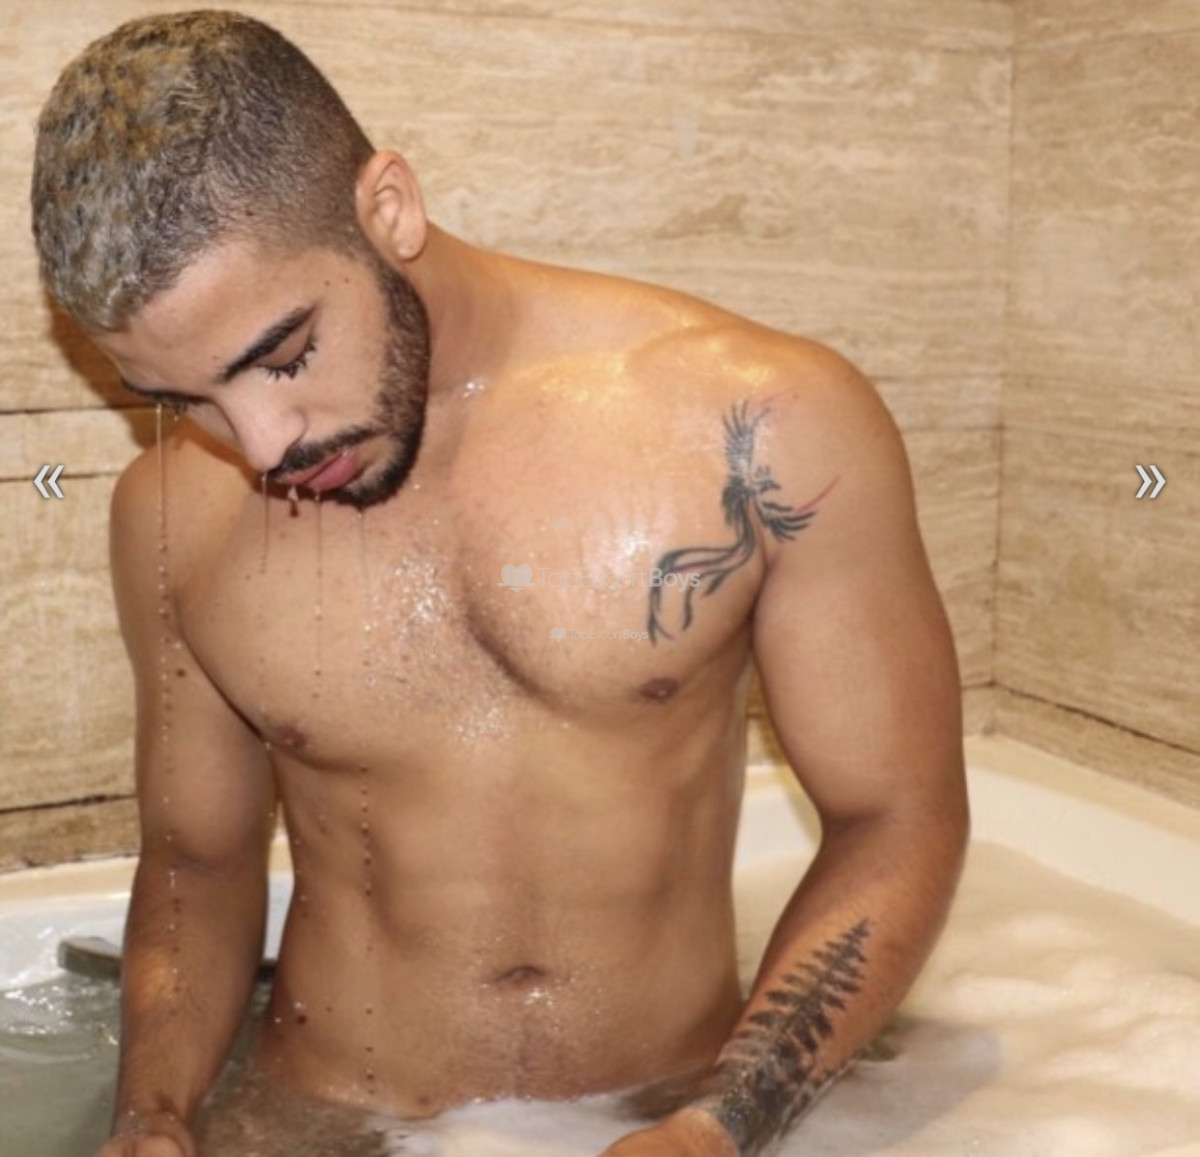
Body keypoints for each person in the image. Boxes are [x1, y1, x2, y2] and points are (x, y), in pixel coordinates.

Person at [31, 11, 969, 1157]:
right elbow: (198, 862)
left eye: (282, 355)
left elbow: (895, 818)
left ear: (390, 208)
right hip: (325, 1119)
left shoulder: (761, 425)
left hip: (673, 1112)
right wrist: (153, 1117)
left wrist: (718, 1127)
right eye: (185, 401)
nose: (264, 445)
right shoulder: (174, 514)